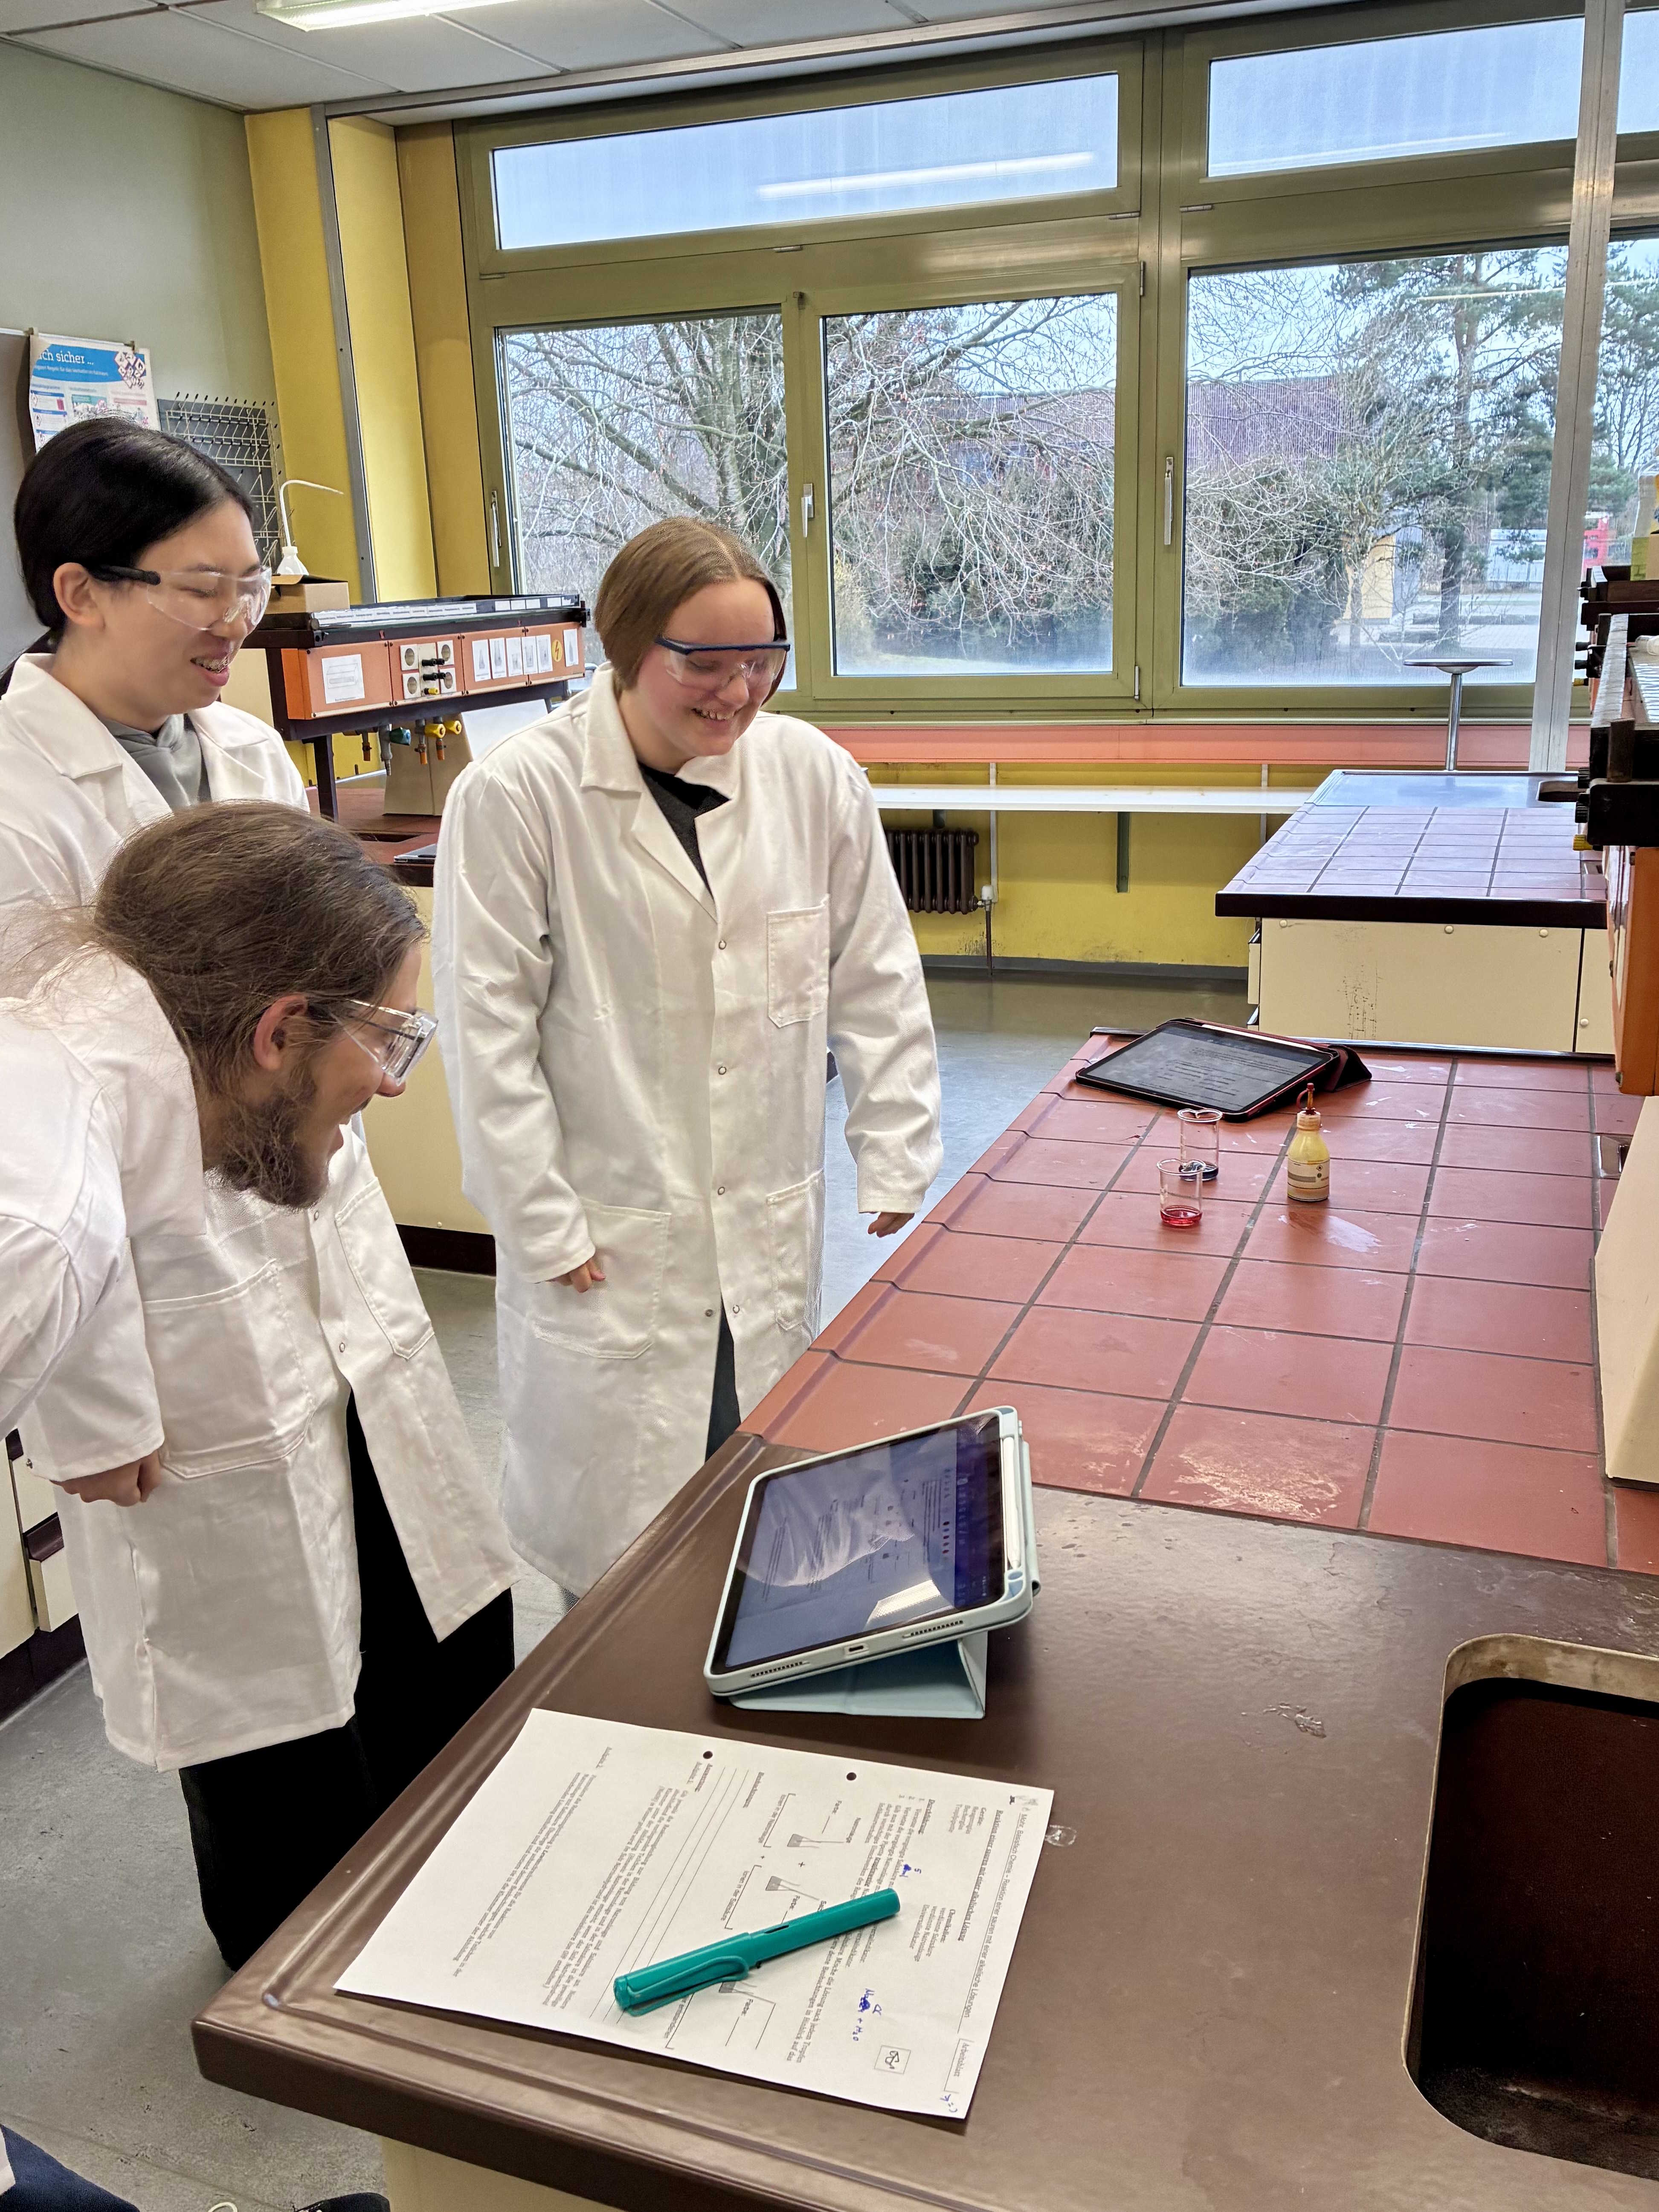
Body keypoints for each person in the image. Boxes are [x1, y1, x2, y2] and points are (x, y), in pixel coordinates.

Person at [0, 422, 519, 1969]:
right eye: (205, 586)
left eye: (252, 583)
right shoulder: (11, 797)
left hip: (314, 1219)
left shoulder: (239, 746)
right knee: (262, 1655)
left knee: (415, 1579)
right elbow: (41, 1124)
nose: (242, 619)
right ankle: (303, 1967)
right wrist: (93, 1399)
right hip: (167, 1287)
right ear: (80, 588)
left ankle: (458, 1897)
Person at [434, 516, 942, 1599]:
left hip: (759, 1206)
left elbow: (876, 971)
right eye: (705, 662)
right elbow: (486, 1034)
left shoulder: (811, 775)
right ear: (626, 648)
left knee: (754, 1490)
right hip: (605, 1227)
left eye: (762, 658)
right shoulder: (519, 796)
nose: (738, 690)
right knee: (618, 1548)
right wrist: (538, 1218)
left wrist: (895, 1144)